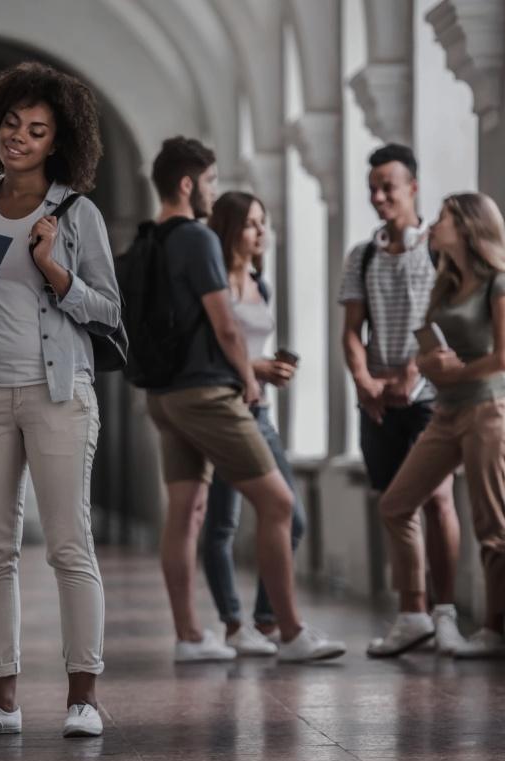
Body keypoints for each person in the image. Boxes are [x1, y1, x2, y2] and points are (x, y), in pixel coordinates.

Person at [0, 62, 119, 739]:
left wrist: (55, 270)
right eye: (12, 124)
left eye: (36, 131)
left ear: (55, 143)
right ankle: (1, 701)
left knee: (70, 544)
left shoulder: (76, 213)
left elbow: (108, 310)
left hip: (58, 395)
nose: (19, 137)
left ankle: (84, 698)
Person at [142, 137, 346, 664]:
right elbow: (226, 324)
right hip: (209, 391)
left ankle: (190, 636)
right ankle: (291, 631)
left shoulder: (148, 240)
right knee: (279, 504)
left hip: (163, 394)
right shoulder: (197, 239)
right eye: (209, 182)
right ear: (188, 184)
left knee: (185, 513)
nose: (212, 192)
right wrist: (248, 378)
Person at [376, 192, 505, 660]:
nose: (434, 224)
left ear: (466, 227)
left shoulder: (500, 283)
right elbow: (425, 351)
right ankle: (420, 616)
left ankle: (493, 630)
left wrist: (452, 370)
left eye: (442, 217)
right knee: (396, 504)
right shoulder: (444, 285)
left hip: (489, 409)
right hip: (446, 413)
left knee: (490, 523)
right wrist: (428, 362)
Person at [337, 144, 463, 657]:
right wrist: (364, 380)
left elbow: (448, 321)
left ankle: (446, 613)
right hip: (379, 403)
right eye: (373, 187)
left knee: (436, 499)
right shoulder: (361, 256)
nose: (379, 195)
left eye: (389, 185)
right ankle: (412, 613)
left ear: (414, 187)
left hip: (432, 397)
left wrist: (412, 373)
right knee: (395, 503)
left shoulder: (438, 249)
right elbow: (351, 330)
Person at [201, 192, 306, 656]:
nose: (261, 232)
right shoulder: (214, 283)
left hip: (259, 412)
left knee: (294, 520)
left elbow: (250, 343)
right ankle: (232, 623)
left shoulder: (260, 284)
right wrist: (255, 369)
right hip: (225, 410)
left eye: (264, 223)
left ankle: (264, 620)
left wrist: (269, 370)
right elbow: (209, 349)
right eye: (251, 224)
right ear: (229, 230)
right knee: (222, 524)